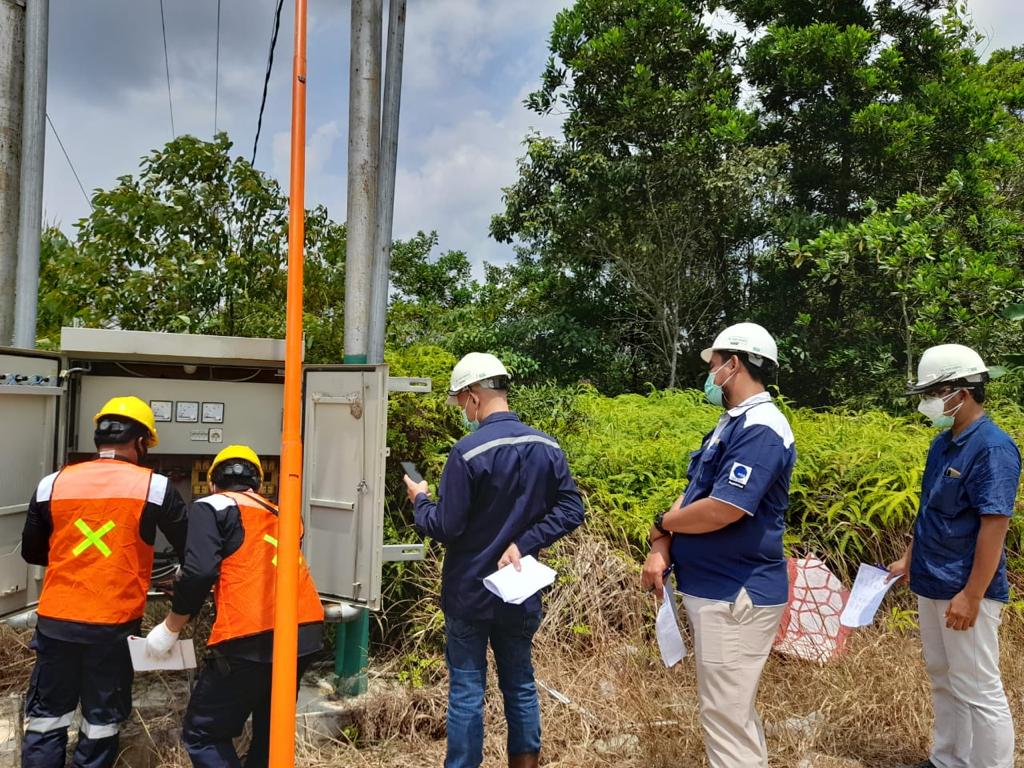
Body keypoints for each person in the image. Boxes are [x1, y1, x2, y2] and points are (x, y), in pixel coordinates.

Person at [403, 352, 585, 768]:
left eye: (461, 402)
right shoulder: (546, 446)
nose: (462, 411)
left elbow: (446, 527)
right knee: (520, 682)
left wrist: (421, 501)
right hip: (520, 590)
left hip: (469, 592)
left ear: (472, 396)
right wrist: (525, 542)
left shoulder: (467, 453)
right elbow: (572, 509)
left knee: (467, 690)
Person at [641, 322, 795, 768]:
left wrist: (661, 523)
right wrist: (662, 539)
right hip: (716, 588)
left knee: (725, 716)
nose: (709, 376)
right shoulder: (733, 424)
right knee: (728, 713)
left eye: (713, 366)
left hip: (737, 592)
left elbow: (724, 508)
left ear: (734, 365)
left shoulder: (763, 428)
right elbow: (696, 494)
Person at [20, 396, 188, 768]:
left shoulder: (53, 483)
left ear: (98, 438)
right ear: (142, 441)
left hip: (56, 622)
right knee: (100, 722)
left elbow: (32, 552)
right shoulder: (155, 487)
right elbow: (191, 552)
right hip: (112, 627)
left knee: (47, 718)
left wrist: (78, 559)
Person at [146, 444, 324, 768]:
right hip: (304, 632)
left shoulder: (211, 505)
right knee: (272, 734)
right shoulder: (283, 513)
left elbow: (200, 570)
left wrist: (171, 626)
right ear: (258, 484)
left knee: (204, 733)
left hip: (248, 635)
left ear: (213, 482)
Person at [887, 344, 1018, 768]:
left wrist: (973, 595)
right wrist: (909, 558)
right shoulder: (944, 444)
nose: (929, 403)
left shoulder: (993, 449)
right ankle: (948, 760)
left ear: (960, 391)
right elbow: (929, 509)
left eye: (934, 392)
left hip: (964, 588)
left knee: (978, 688)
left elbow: (994, 526)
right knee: (944, 679)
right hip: (931, 579)